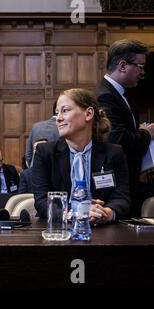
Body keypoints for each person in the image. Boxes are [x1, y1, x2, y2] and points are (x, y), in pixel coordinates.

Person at [32, 88, 130, 224]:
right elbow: (42, 201)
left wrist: (107, 213)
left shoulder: (114, 153)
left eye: (65, 110)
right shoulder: (45, 153)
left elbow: (122, 199)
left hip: (103, 231)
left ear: (88, 114)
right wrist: (76, 213)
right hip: (58, 231)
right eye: (57, 113)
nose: (58, 118)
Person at [95, 39, 154, 216]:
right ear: (122, 65)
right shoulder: (106, 96)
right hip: (117, 183)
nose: (142, 73)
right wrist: (146, 134)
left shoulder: (120, 94)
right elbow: (116, 138)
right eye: (140, 67)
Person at [25, 101, 59, 167]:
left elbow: (28, 154)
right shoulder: (65, 127)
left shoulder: (36, 126)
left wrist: (32, 167)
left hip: (36, 168)